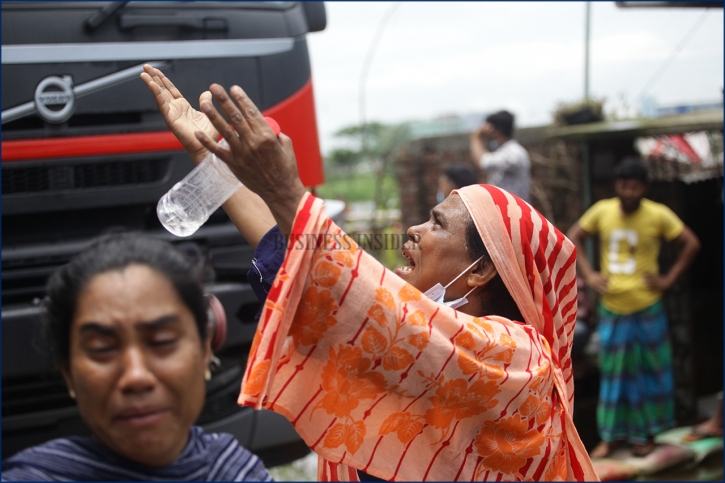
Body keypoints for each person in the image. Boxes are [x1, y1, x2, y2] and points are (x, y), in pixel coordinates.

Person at [140, 65, 598, 481]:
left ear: (479, 270)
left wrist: (285, 190)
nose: (415, 230)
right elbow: (303, 264)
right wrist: (212, 162)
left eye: (437, 223)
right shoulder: (410, 333)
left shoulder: (522, 360)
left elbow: (359, 298)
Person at [1, 233, 272, 481]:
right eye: (101, 348)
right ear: (69, 373)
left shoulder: (236, 471)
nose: (136, 376)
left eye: (162, 342)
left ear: (204, 352)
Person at [567, 157, 701, 458]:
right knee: (614, 375)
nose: (629, 192)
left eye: (635, 187)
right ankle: (611, 437)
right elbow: (572, 237)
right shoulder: (601, 211)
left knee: (649, 373)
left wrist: (667, 279)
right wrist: (588, 274)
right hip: (612, 309)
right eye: (625, 186)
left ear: (644, 188)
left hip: (647, 306)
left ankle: (646, 435)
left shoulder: (659, 215)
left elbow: (692, 243)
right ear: (617, 186)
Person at [469, 110, 531, 201]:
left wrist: (476, 138)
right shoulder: (504, 151)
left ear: (495, 131)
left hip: (515, 211)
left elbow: (484, 163)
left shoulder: (514, 153)